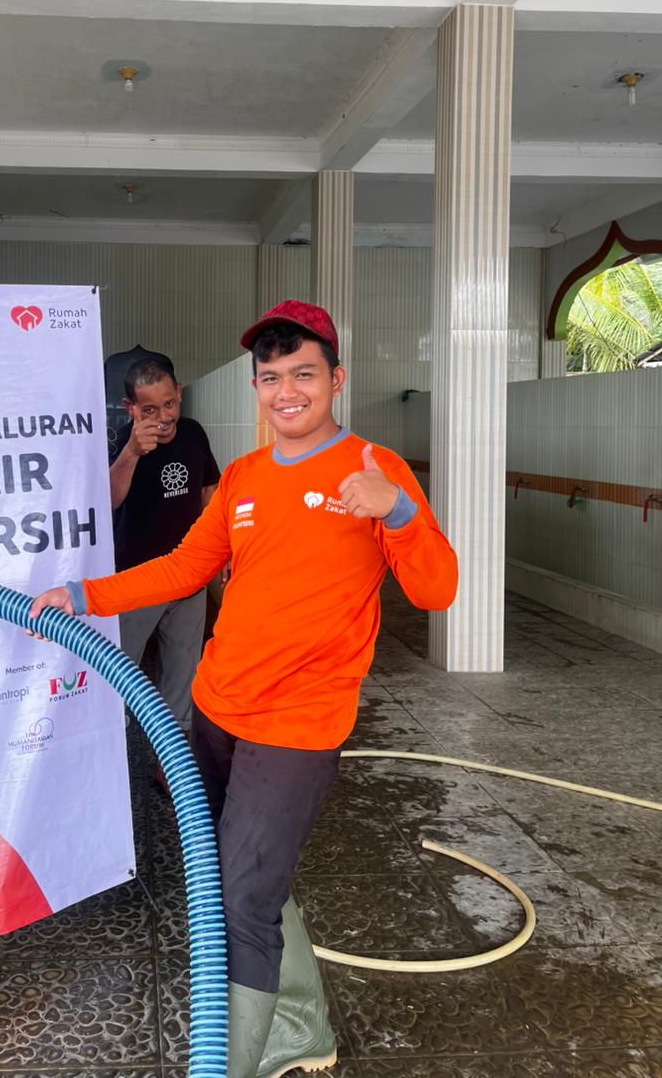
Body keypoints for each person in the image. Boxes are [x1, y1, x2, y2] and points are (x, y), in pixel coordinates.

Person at [30, 301, 458, 1078]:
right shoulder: (247, 479)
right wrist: (84, 597)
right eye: (272, 377)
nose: (286, 390)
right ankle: (301, 1031)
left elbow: (436, 589)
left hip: (297, 727)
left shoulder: (374, 468)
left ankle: (231, 1062)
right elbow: (185, 568)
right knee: (242, 879)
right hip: (218, 712)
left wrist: (395, 511)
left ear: (336, 378)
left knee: (239, 903)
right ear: (257, 387)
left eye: (304, 374)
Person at [108, 357, 220, 733]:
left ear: (179, 395)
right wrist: (131, 454)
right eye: (150, 409)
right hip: (138, 578)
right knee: (119, 672)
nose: (163, 417)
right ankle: (110, 757)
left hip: (189, 576)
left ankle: (169, 765)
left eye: (168, 404)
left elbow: (209, 491)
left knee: (183, 673)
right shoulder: (122, 442)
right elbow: (108, 500)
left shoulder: (193, 433)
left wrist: (219, 551)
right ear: (131, 408)